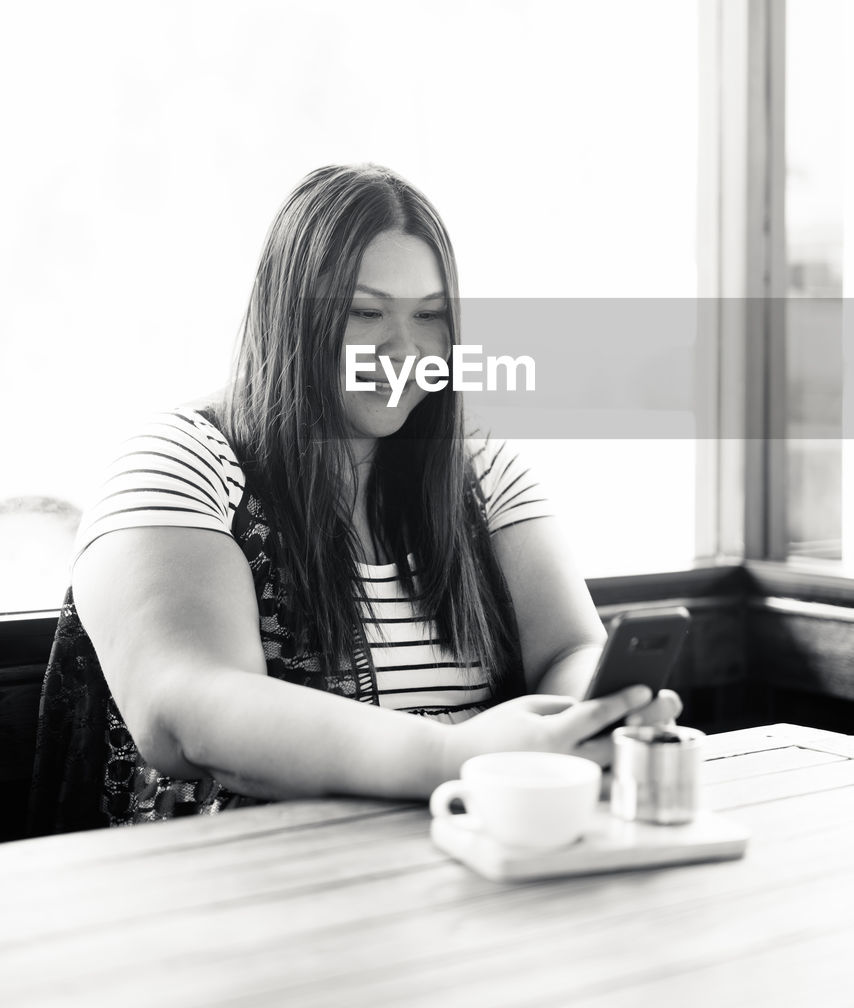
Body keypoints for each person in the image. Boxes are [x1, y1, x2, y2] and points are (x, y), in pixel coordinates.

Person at [28, 164, 678, 834]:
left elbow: (570, 646)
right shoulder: (179, 461)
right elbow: (186, 709)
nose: (406, 349)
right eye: (365, 313)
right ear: (288, 318)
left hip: (465, 878)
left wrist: (590, 718)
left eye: (430, 316)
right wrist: (456, 755)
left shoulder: (487, 470)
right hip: (233, 900)